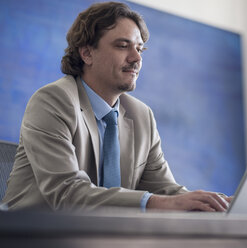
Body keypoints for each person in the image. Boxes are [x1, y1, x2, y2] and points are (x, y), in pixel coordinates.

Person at [2, 2, 230, 212]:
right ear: (87, 53)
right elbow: (66, 193)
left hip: (102, 238)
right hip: (31, 236)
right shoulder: (52, 101)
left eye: (140, 49)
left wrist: (213, 204)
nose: (136, 58)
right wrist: (156, 202)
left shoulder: (142, 116)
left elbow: (165, 190)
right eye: (123, 46)